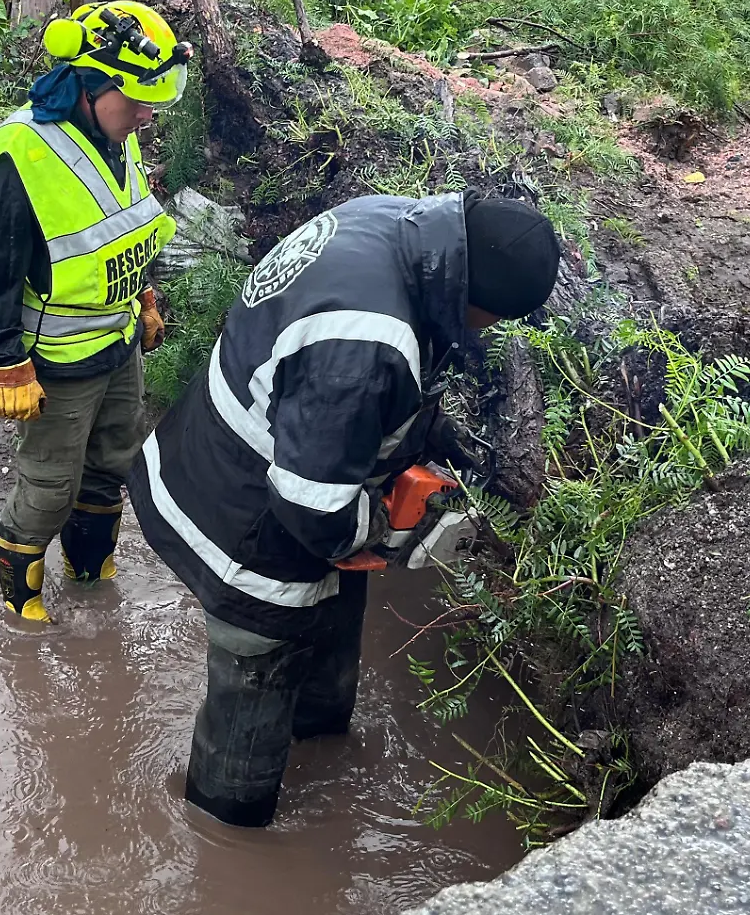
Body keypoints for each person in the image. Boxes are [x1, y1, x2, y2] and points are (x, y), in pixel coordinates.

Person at [127, 189, 564, 827]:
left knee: (327, 659)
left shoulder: (396, 223)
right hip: (247, 524)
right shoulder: (364, 340)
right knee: (255, 687)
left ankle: (322, 743)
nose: (486, 332)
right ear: (470, 293)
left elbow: (356, 407)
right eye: (488, 319)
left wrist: (428, 434)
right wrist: (397, 529)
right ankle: (225, 837)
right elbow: (312, 506)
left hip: (233, 450)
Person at [0, 0, 192, 622]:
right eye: (138, 100)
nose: (148, 115)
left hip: (118, 348)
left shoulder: (119, 137)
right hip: (57, 363)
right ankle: (20, 606)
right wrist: (6, 364)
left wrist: (143, 296)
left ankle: (92, 573)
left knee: (112, 465)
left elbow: (120, 230)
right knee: (49, 488)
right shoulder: (21, 157)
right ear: (90, 87)